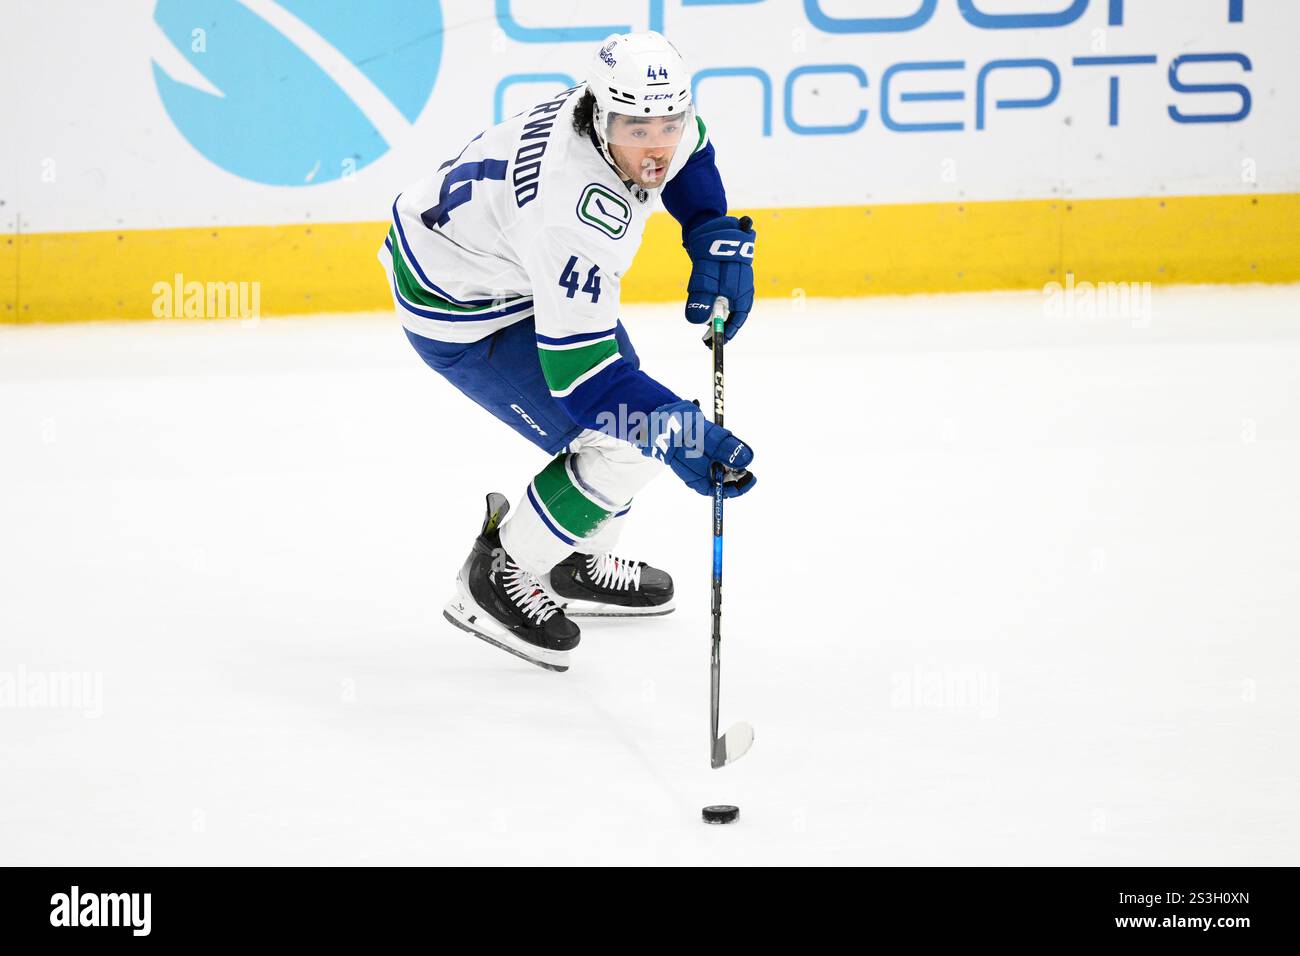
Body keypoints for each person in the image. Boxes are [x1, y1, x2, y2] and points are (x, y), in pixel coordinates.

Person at [378, 31, 757, 672]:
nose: (656, 145)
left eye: (669, 121)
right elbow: (581, 378)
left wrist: (709, 229)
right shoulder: (572, 214)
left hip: (505, 263)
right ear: (602, 115)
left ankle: (571, 557)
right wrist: (677, 430)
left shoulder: (625, 112)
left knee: (635, 415)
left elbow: (694, 153)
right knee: (629, 436)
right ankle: (501, 573)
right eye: (638, 129)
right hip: (464, 309)